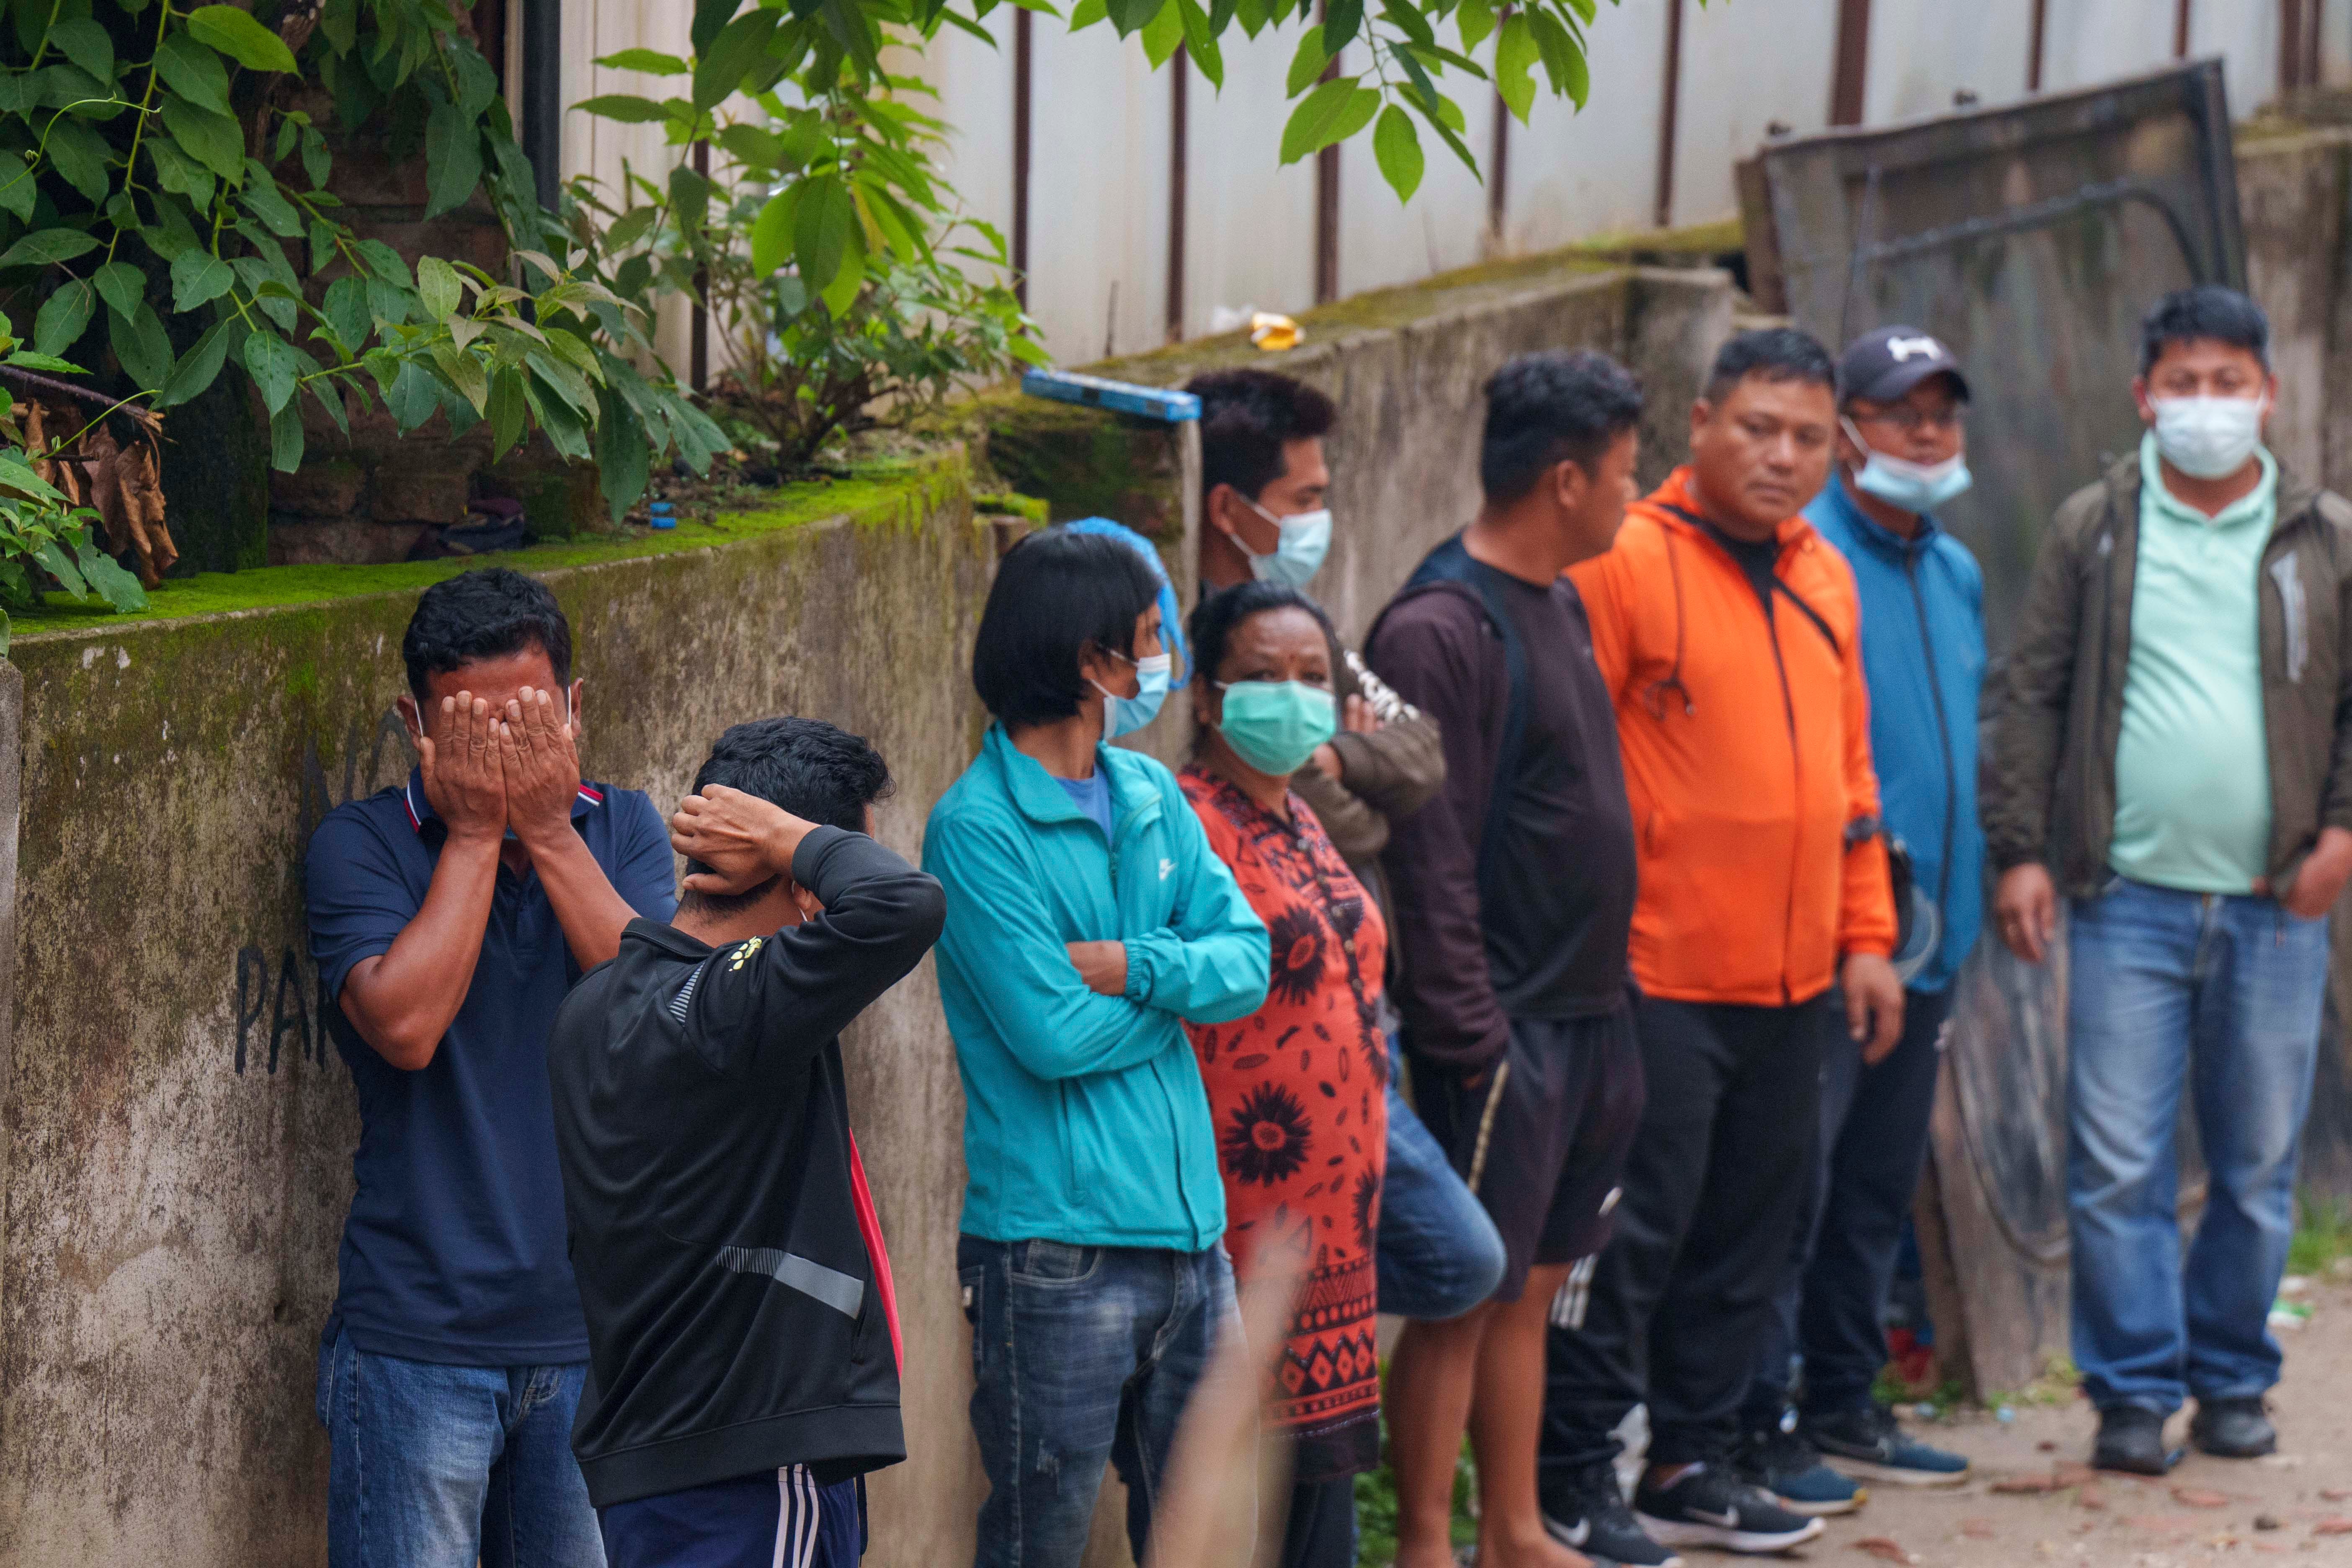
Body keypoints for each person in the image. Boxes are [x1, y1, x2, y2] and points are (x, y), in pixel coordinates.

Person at [1544, 328, 1904, 1561]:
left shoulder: (1825, 571)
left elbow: (1850, 772)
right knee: (1630, 1233)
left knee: (1758, 1223)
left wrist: (1868, 934)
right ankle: (1572, 1470)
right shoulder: (1628, 563)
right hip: (1657, 973)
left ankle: (1694, 1455)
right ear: (1698, 424)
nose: (1784, 456)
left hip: (1798, 972)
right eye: (1759, 427)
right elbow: (1569, 764)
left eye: (1810, 436)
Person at [1984, 284, 2352, 1475]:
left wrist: (2343, 832)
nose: (2206, 407)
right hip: (2125, 900)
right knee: (2120, 1164)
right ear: (2145, 397)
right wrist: (2024, 850)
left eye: (2228, 384)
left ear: (2267, 395)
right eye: (2184, 385)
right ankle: (2133, 1394)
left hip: (2276, 905)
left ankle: (2234, 1381)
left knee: (2254, 1165)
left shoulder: (2328, 540)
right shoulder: (2097, 526)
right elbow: (2032, 693)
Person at [304, 567, 678, 1568]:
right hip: (415, 1345)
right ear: (413, 723)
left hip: (589, 1340)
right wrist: (475, 830)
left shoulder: (625, 828)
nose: (507, 749)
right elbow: (408, 1027)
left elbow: (655, 1020)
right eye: (473, 727)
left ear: (574, 707)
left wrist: (549, 829)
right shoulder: (363, 845)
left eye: (532, 720)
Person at [923, 527, 1271, 1568]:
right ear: (1091, 660)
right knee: (1042, 1543)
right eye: (1149, 638)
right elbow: (1052, 1036)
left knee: (1211, 1538)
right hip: (1054, 1254)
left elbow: (1248, 960)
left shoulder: (1154, 793)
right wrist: (1183, 980)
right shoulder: (977, 828)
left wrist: (1133, 964)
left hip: (1193, 1244)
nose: (1162, 660)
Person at [1363, 348, 1648, 1568]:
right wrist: (1467, 1031)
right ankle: (1427, 1538)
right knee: (1465, 1293)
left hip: (1586, 1012)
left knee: (1532, 1284)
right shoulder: (1441, 627)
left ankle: (1514, 1528)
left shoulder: (1566, 601)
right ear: (1569, 481)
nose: (1641, 496)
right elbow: (1430, 851)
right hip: (1502, 1025)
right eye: (1631, 475)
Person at [545, 718, 945, 1567]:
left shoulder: (600, 1005)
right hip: (755, 1465)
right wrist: (789, 838)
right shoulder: (734, 1008)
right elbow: (907, 905)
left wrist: (787, 840)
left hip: (660, 1467)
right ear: (803, 883)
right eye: (827, 860)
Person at [1189, 366, 1508, 1328]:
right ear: (1229, 507)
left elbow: (1423, 752)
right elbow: (1363, 818)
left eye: (1314, 683)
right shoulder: (1199, 645)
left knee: (1439, 1265)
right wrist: (1351, 771)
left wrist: (1332, 752)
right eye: (1307, 499)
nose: (1323, 519)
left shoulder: (1309, 621)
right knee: (1451, 1256)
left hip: (1360, 1016)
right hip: (1265, 1042)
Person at [1735, 327, 1982, 1514]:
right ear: (1849, 434)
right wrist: (1854, 927)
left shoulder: (1954, 567)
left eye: (1944, 412)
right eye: (1901, 411)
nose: (1928, 433)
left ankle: (1845, 1397)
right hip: (1835, 936)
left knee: (1878, 1184)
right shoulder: (1806, 558)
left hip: (1936, 939)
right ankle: (1760, 1415)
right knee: (1797, 1187)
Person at [1178, 580, 1392, 1568]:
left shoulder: (1305, 816)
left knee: (1320, 1513)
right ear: (1212, 696)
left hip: (1337, 1223)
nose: (1290, 696)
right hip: (1247, 1215)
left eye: (1311, 677)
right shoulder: (1187, 824)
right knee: (1255, 1505)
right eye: (1263, 677)